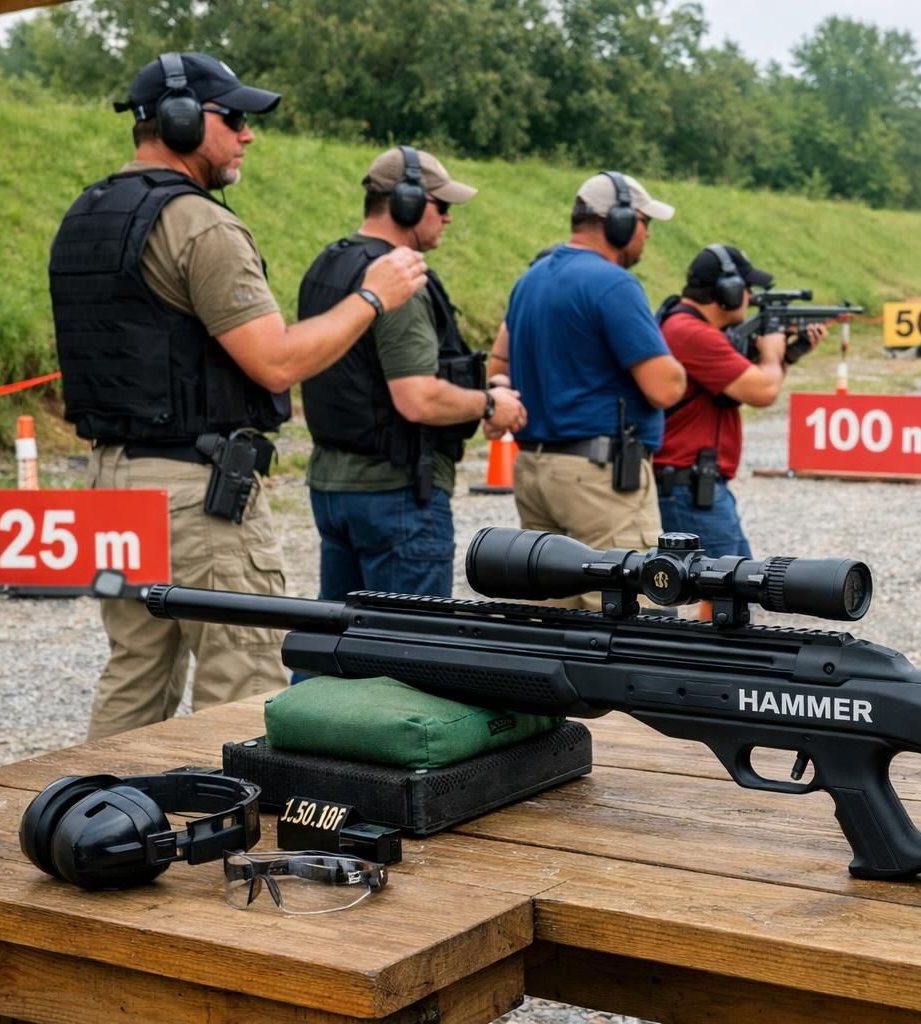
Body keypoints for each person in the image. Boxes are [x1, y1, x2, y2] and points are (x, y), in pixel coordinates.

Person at [50, 52, 428, 740]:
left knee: (135, 673)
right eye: (233, 118)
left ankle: (96, 803)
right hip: (196, 497)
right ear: (182, 120)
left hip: (111, 484)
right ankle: (235, 814)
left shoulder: (85, 214)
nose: (248, 134)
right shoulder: (201, 225)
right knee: (242, 686)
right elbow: (276, 363)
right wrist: (374, 296)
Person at [297, 146, 526, 600]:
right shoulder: (397, 281)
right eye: (441, 205)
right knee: (409, 639)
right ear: (409, 202)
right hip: (396, 493)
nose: (448, 217)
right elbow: (416, 397)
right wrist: (488, 404)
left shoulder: (329, 263)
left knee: (339, 634)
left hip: (333, 487)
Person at [503, 172, 685, 597]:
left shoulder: (531, 279)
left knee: (553, 611)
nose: (647, 234)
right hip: (598, 480)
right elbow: (665, 388)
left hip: (536, 469)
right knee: (630, 607)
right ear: (619, 222)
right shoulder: (613, 284)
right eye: (644, 222)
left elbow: (501, 358)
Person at [654, 244, 824, 557]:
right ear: (727, 290)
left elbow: (752, 385)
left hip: (698, 485)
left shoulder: (693, 328)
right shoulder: (692, 333)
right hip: (689, 488)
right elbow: (763, 391)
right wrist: (771, 353)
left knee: (737, 580)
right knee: (723, 583)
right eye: (746, 287)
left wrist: (787, 356)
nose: (749, 296)